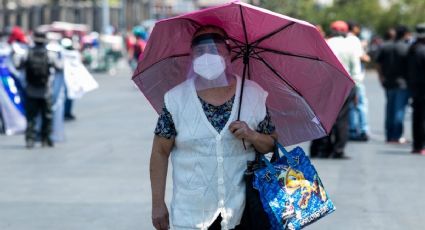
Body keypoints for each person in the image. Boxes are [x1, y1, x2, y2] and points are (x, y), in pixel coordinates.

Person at [149, 25, 277, 230]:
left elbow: (271, 144)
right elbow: (160, 151)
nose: (207, 56)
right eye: (200, 51)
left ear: (229, 54)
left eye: (214, 49)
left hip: (244, 212)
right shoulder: (175, 99)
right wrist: (157, 204)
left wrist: (252, 135)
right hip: (192, 214)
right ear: (191, 56)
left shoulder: (253, 94)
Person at [310, 20, 358, 159]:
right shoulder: (350, 46)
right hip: (346, 82)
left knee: (326, 116)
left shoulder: (326, 43)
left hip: (327, 83)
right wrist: (357, 88)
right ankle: (339, 149)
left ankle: (324, 147)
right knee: (343, 118)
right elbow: (355, 70)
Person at [376, 25, 411, 144]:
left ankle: (389, 134)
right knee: (399, 110)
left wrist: (381, 78)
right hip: (402, 83)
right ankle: (396, 136)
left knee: (390, 109)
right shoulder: (406, 48)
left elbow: (378, 64)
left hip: (388, 82)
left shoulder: (385, 46)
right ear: (406, 34)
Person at [22, 31, 56, 148]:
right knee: (47, 116)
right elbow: (58, 66)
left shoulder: (27, 53)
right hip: (45, 91)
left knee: (31, 117)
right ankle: (45, 138)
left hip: (30, 90)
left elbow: (18, 65)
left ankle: (30, 139)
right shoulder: (50, 54)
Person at [346, 21, 371, 141]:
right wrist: (367, 57)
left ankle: (351, 129)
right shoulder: (355, 40)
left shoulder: (344, 39)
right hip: (357, 78)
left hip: (346, 78)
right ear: (354, 28)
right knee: (361, 105)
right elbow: (361, 57)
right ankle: (363, 130)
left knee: (350, 106)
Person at [407, 23, 425, 154]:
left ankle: (416, 145)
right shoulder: (423, 50)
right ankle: (421, 145)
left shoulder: (411, 49)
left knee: (416, 116)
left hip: (414, 87)